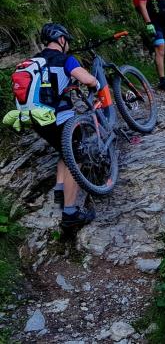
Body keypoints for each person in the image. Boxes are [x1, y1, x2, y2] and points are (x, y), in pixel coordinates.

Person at [34, 23, 99, 229]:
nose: (68, 44)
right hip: (59, 116)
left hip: (37, 119)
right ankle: (70, 212)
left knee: (64, 149)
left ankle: (60, 190)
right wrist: (96, 84)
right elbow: (87, 79)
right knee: (76, 155)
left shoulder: (34, 61)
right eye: (67, 41)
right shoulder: (65, 59)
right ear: (61, 40)